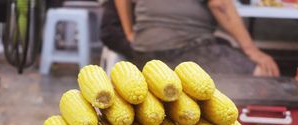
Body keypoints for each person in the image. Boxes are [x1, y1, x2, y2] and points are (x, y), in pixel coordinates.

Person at [115, 0, 280, 76]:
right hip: (186, 49)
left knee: (224, 46)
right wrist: (253, 51)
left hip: (142, 49)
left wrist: (129, 32)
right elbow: (220, 5)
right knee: (263, 71)